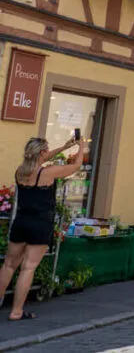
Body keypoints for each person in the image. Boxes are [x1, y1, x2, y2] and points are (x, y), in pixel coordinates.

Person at [0, 136, 85, 321]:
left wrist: (63, 146)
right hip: (40, 224)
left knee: (8, 265)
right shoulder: (48, 173)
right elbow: (76, 166)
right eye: (46, 150)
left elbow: (40, 159)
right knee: (27, 268)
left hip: (21, 221)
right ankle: (16, 311)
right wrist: (82, 147)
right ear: (41, 152)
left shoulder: (20, 171)